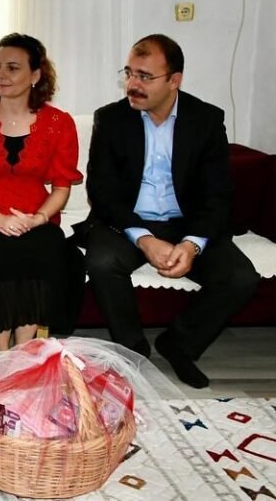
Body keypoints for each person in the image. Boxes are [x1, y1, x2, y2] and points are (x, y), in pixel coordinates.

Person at [79, 34, 259, 388]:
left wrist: (192, 244)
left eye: (145, 76)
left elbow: (218, 195)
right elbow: (102, 194)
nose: (132, 84)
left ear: (174, 80)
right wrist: (144, 239)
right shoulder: (111, 119)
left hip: (186, 222)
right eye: (129, 73)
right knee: (101, 262)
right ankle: (132, 352)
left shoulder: (205, 120)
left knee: (240, 278)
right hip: (128, 222)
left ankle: (179, 344)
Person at [0, 34, 82, 350]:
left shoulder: (59, 122)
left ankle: (23, 350)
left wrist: (38, 219)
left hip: (33, 219)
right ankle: (2, 353)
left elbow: (61, 187)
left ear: (35, 75)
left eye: (12, 67)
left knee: (46, 250)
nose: (1, 74)